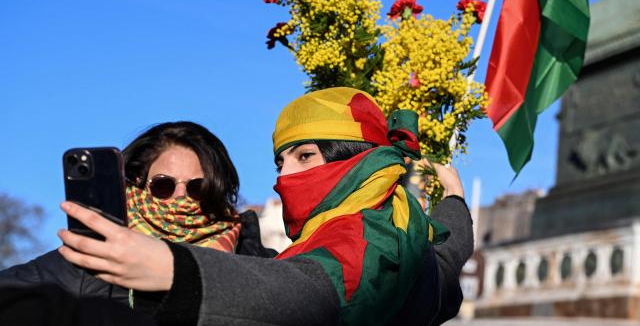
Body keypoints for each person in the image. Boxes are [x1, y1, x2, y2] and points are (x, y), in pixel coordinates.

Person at [55, 88, 473, 325]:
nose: (284, 177)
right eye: (280, 161)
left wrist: (176, 271)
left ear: (354, 160)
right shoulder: (407, 232)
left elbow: (310, 290)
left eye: (304, 157)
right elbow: (447, 261)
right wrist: (453, 202)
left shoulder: (362, 234)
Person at [0, 121, 274, 320]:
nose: (181, 198)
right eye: (164, 185)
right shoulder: (90, 261)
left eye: (196, 187)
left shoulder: (259, 264)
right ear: (139, 185)